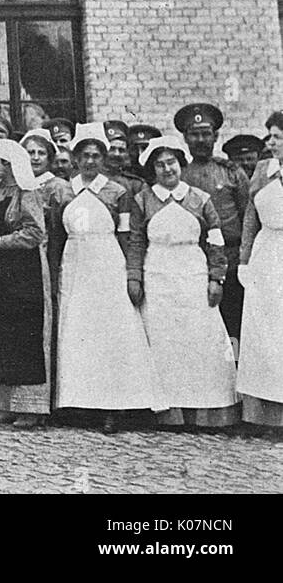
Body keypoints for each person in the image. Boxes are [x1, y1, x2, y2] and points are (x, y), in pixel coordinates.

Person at [55, 122, 163, 434]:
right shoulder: (64, 190)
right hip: (74, 266)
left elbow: (128, 237)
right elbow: (56, 237)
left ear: (104, 158)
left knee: (110, 334)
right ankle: (78, 403)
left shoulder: (119, 192)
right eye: (84, 155)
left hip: (108, 265)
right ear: (75, 158)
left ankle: (113, 407)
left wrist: (132, 275)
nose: (90, 161)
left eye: (96, 155)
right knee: (78, 332)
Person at [126, 136, 239, 429]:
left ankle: (205, 411)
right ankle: (169, 412)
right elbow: (136, 241)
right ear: (153, 170)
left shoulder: (200, 198)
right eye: (160, 165)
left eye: (171, 162)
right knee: (164, 342)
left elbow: (215, 240)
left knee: (199, 339)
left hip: (192, 274)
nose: (167, 169)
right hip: (158, 275)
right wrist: (134, 277)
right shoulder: (143, 199)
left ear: (180, 164)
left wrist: (217, 278)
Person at [0, 133, 55, 428]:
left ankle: (30, 408)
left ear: (9, 164)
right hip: (1, 270)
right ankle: (3, 404)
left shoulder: (27, 191)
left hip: (24, 270)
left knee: (24, 335)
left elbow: (34, 233)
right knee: (0, 334)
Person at [175, 103, 249, 342]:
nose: (200, 140)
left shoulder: (232, 172)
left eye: (206, 134)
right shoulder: (181, 175)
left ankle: (236, 366)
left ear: (215, 136)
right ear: (185, 138)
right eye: (194, 134)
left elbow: (248, 216)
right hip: (195, 259)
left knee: (234, 319)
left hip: (231, 258)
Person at [237, 111, 283, 427]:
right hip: (266, 256)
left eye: (277, 136)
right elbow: (250, 218)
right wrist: (244, 259)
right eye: (269, 136)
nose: (271, 142)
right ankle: (268, 415)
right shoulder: (264, 169)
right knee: (266, 332)